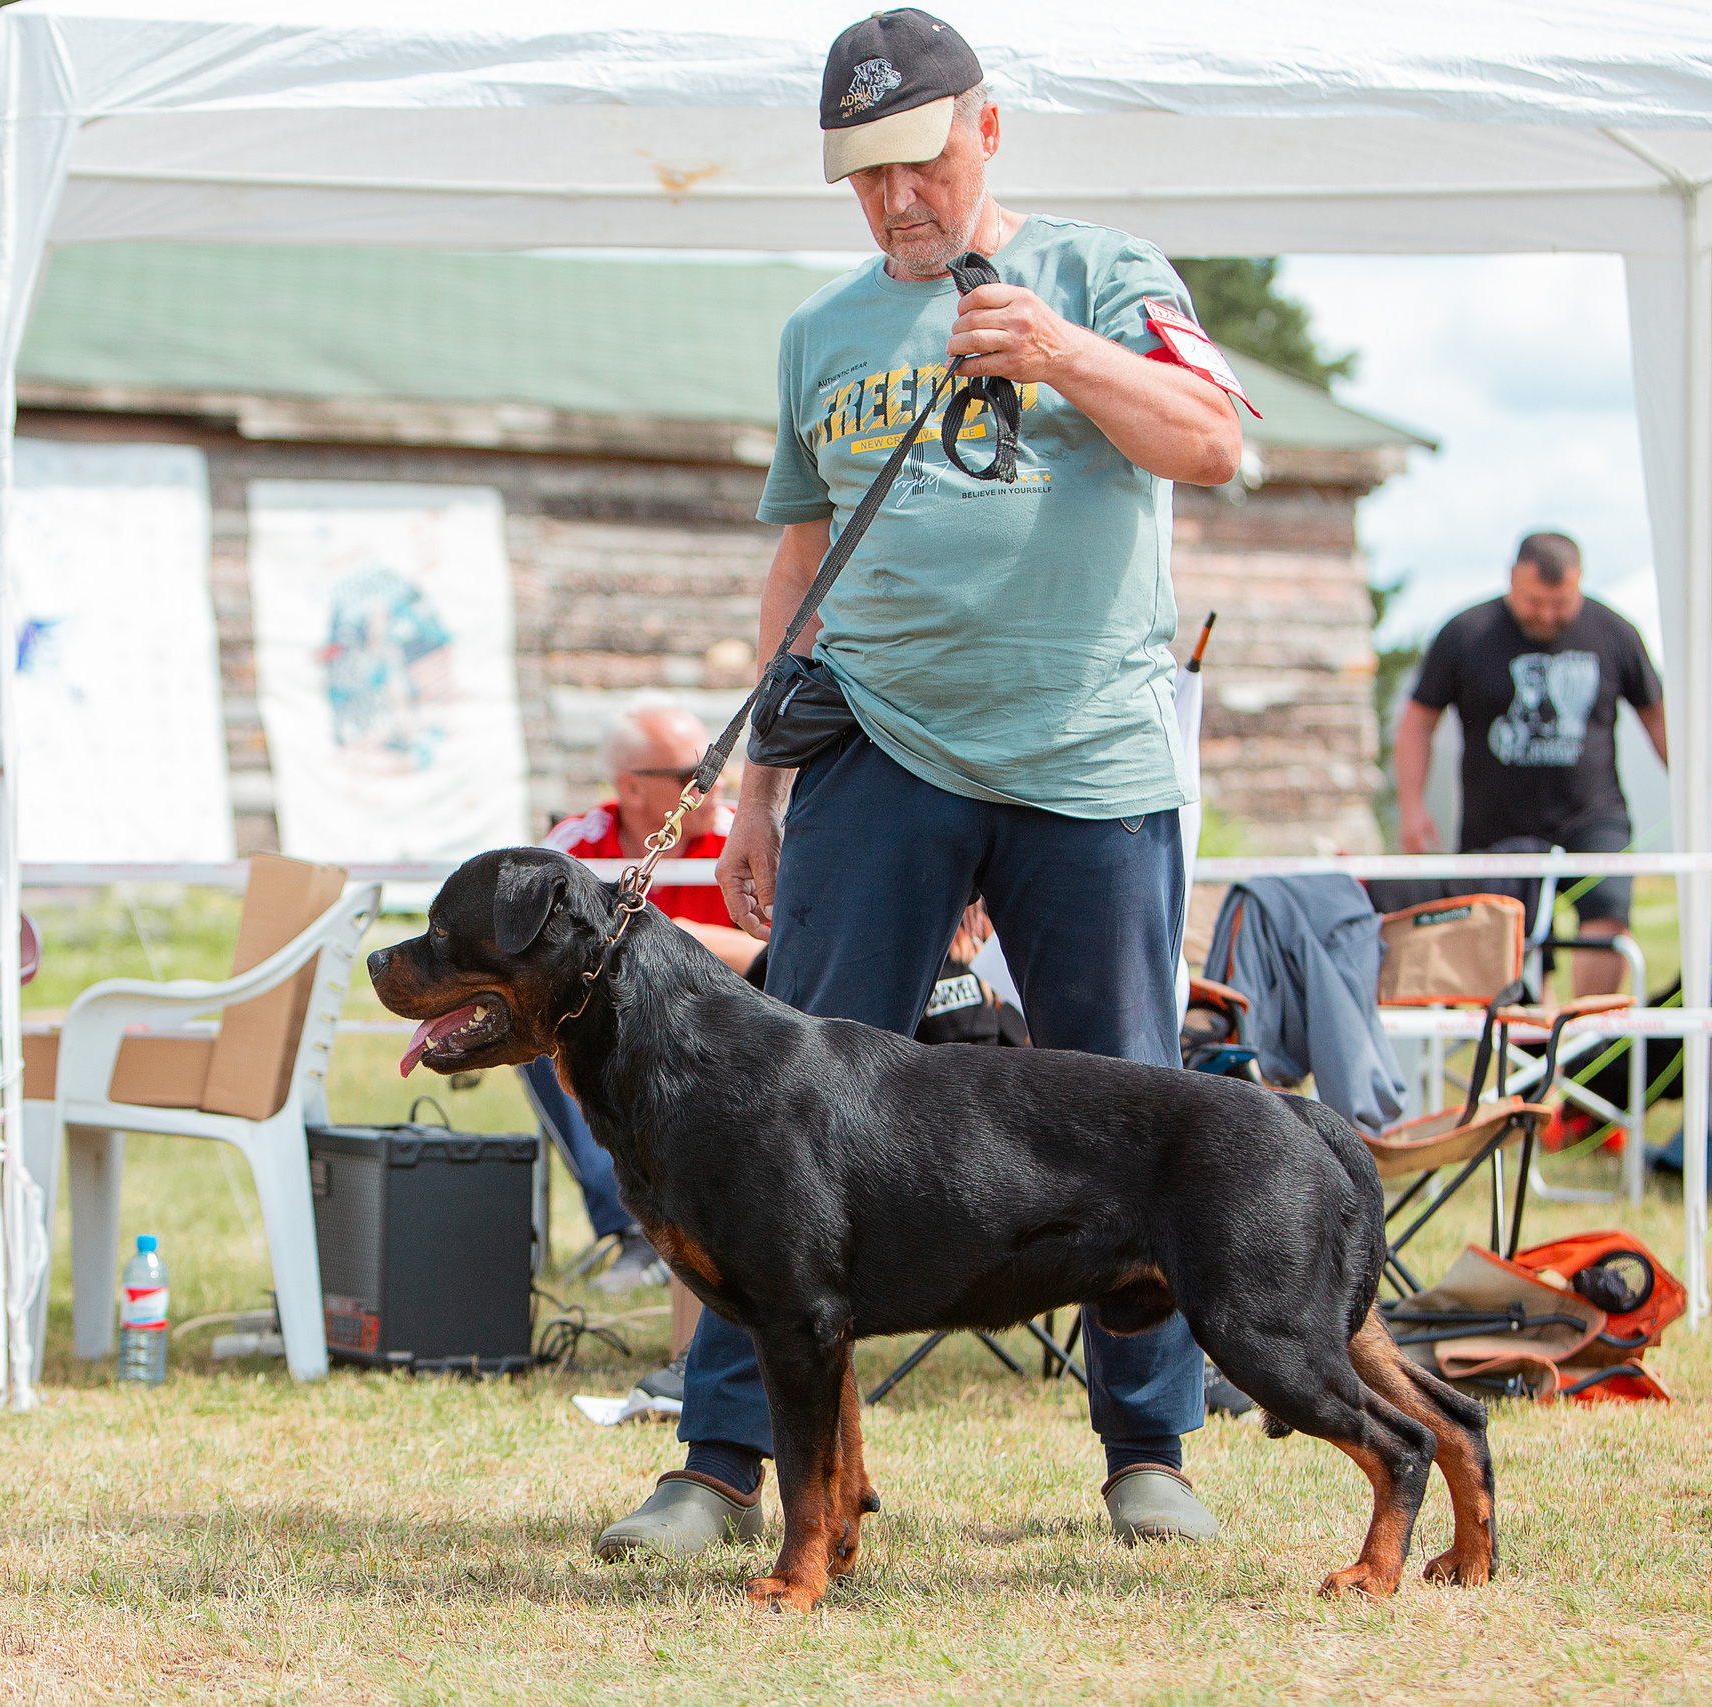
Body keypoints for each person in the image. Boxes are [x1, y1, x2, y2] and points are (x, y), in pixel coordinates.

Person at [592, 8, 1244, 1565]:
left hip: (1087, 757)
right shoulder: (821, 335)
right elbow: (801, 556)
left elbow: (1214, 441)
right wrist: (752, 786)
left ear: (989, 132)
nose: (897, 200)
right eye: (864, 176)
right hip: (874, 752)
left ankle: (1147, 1449)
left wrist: (1062, 352)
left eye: (920, 161)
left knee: (1128, 1093)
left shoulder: (1105, 272)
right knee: (770, 1108)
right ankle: (722, 1460)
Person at [526, 703, 759, 1295]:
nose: (715, 784)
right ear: (630, 787)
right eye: (694, 773)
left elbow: (787, 954)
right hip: (608, 1031)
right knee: (543, 1036)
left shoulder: (747, 841)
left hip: (724, 1038)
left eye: (717, 768)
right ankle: (635, 1232)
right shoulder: (574, 848)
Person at [1395, 532, 1668, 999]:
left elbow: (1658, 719)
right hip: (1496, 826)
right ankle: (1532, 1058)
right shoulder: (1466, 633)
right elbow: (1418, 721)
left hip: (1592, 817)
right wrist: (1412, 806)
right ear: (1512, 581)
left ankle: (1584, 1045)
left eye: (1560, 603)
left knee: (1606, 919)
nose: (1546, 615)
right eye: (1534, 602)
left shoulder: (1614, 632)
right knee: (1505, 949)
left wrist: (1695, 793)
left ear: (1580, 584)